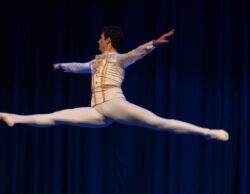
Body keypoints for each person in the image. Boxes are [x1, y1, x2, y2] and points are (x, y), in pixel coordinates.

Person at [0, 26, 228, 141]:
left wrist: (153, 44)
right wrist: (61, 66)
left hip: (114, 103)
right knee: (57, 117)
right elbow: (79, 66)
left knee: (159, 123)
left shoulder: (119, 59)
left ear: (108, 39)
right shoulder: (96, 61)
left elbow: (137, 53)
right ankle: (13, 117)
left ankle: (207, 132)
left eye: (101, 37)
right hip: (99, 111)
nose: (98, 40)